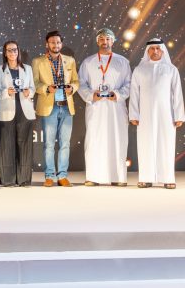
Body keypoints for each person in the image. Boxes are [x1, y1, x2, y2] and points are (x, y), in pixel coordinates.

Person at [78, 29, 131, 187]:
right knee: (94, 139)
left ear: (113, 41)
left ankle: (118, 177)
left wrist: (118, 94)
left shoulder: (123, 62)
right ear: (97, 41)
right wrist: (91, 95)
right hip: (96, 107)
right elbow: (81, 83)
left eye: (108, 39)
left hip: (116, 107)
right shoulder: (88, 62)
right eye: (101, 39)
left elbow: (129, 84)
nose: (105, 42)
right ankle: (93, 177)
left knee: (118, 139)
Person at [129, 38, 184, 189]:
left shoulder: (171, 69)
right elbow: (134, 93)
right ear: (147, 51)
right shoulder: (140, 70)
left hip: (167, 115)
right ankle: (145, 178)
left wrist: (179, 115)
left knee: (166, 144)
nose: (155, 51)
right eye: (152, 49)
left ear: (162, 50)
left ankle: (168, 178)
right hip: (145, 115)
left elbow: (177, 93)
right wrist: (133, 114)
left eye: (158, 48)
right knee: (145, 144)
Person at [32, 30, 79, 187]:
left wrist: (72, 88)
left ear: (61, 44)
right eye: (52, 42)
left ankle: (62, 176)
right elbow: (34, 84)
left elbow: (76, 81)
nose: (56, 45)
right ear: (47, 44)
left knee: (65, 144)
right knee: (49, 144)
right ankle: (49, 176)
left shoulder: (69, 61)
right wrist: (47, 88)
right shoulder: (38, 61)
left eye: (58, 42)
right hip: (49, 107)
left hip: (66, 107)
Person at [0, 40, 36, 187]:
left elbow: (33, 88)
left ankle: (24, 179)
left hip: (25, 111)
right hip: (6, 112)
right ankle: (8, 180)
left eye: (15, 50)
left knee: (25, 146)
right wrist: (7, 92)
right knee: (6, 146)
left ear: (18, 52)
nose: (12, 53)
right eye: (9, 50)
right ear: (5, 53)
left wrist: (29, 92)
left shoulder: (27, 69)